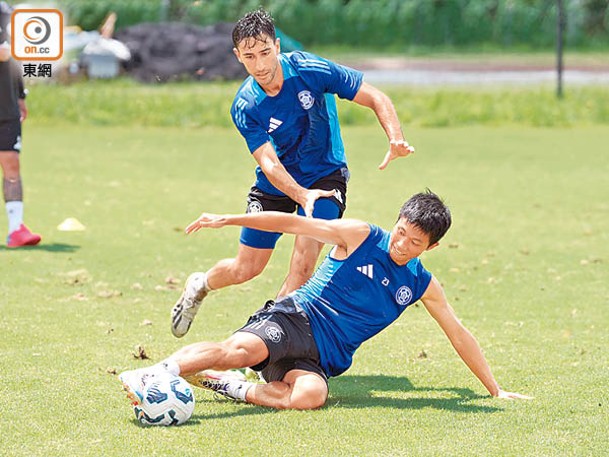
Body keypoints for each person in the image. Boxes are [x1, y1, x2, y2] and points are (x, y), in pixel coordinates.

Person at [122, 191, 532, 411]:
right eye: (401, 231)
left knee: (310, 397)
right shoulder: (359, 235)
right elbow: (294, 222)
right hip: (295, 319)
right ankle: (154, 374)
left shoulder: (421, 283)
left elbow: (458, 333)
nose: (402, 243)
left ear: (433, 246)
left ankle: (224, 386)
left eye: (415, 242)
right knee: (239, 351)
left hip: (321, 358)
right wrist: (230, 218)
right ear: (397, 221)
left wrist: (494, 390)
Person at [171, 8, 415, 338]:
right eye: (249, 56)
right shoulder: (246, 105)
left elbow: (374, 96)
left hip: (326, 177)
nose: (259, 65)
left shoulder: (309, 69)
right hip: (277, 182)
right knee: (247, 268)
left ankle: (265, 341)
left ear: (277, 45)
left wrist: (395, 137)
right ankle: (200, 286)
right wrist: (300, 195)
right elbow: (269, 163)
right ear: (237, 56)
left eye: (265, 52)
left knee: (302, 265)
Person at [0, 1, 41, 247]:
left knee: (11, 164)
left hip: (7, 107)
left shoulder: (7, 12)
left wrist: (21, 95)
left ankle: (16, 229)